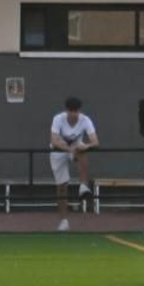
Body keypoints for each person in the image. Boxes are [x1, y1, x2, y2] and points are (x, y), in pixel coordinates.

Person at [49, 97, 98, 231]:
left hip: (75, 149)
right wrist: (68, 148)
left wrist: (85, 146)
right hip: (58, 152)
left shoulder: (85, 120)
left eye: (76, 111)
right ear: (67, 111)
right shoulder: (58, 119)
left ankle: (83, 185)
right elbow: (54, 141)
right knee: (61, 188)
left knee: (83, 151)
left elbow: (95, 141)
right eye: (71, 111)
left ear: (79, 111)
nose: (73, 114)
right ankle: (63, 221)